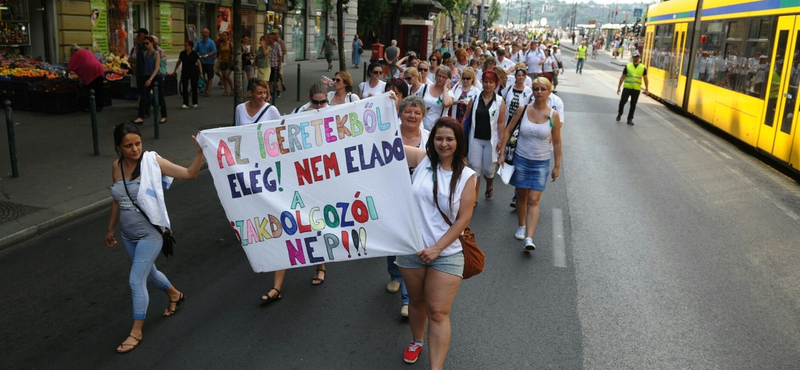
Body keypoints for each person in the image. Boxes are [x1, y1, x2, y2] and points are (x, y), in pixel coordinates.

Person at [106, 122, 204, 353]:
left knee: (135, 280)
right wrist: (110, 230)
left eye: (138, 143)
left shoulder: (153, 163)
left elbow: (191, 174)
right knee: (150, 273)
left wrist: (200, 153)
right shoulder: (116, 166)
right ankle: (175, 294)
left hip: (151, 233)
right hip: (128, 235)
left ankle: (136, 332)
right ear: (118, 147)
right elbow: (118, 199)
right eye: (128, 145)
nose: (135, 149)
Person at [397, 117, 477, 369]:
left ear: (458, 142)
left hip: (447, 253)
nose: (444, 144)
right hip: (411, 248)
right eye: (439, 138)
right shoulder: (421, 161)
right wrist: (388, 105)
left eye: (449, 139)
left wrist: (437, 248)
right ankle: (417, 340)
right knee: (416, 302)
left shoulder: (466, 176)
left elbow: (464, 218)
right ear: (432, 141)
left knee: (439, 312)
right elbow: (385, 143)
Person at [498, 77, 562, 250]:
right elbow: (508, 129)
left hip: (541, 162)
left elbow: (556, 141)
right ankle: (521, 225)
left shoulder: (553, 115)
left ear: (549, 92)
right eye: (536, 89)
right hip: (521, 159)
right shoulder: (523, 109)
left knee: (534, 199)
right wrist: (502, 153)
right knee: (521, 195)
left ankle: (529, 238)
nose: (539, 92)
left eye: (543, 89)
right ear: (532, 91)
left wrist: (557, 165)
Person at [461, 70, 506, 201]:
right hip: (475, 139)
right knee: (475, 168)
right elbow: (465, 118)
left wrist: (501, 141)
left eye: (491, 82)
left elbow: (501, 122)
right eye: (485, 82)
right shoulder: (474, 99)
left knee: (488, 170)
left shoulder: (499, 101)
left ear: (495, 84)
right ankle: (474, 197)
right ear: (482, 82)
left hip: (490, 140)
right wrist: (461, 135)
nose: (488, 85)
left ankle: (490, 183)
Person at [132, 36, 167, 125]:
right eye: (144, 43)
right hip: (146, 76)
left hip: (156, 77)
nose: (146, 45)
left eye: (147, 43)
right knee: (143, 97)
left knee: (160, 97)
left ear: (152, 43)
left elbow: (156, 68)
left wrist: (150, 79)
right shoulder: (145, 53)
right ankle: (140, 117)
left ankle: (164, 116)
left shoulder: (156, 53)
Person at [66, 44, 105, 112]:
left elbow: (69, 68)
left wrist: (66, 75)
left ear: (73, 51)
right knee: (99, 88)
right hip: (99, 68)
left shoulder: (76, 54)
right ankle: (99, 106)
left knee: (90, 89)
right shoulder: (88, 51)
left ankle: (89, 106)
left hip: (90, 71)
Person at [616, 51, 649, 125]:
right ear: (632, 58)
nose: (636, 58)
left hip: (636, 89)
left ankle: (630, 119)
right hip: (627, 88)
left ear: (639, 58)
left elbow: (645, 79)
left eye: (637, 57)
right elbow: (622, 77)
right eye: (635, 57)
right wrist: (619, 87)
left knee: (633, 104)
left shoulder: (643, 67)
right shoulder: (628, 66)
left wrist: (647, 89)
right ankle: (620, 113)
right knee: (622, 102)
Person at [172, 40, 202, 109]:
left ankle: (194, 102)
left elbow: (199, 63)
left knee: (194, 87)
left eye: (186, 45)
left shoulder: (194, 53)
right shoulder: (182, 53)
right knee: (184, 87)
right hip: (185, 72)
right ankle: (185, 103)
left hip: (193, 72)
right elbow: (179, 62)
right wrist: (175, 70)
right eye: (185, 45)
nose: (185, 46)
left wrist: (201, 72)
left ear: (190, 46)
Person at [194, 28, 217, 97]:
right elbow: (195, 49)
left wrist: (207, 55)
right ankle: (206, 84)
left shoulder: (211, 42)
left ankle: (208, 91)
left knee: (210, 77)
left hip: (209, 62)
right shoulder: (199, 42)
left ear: (208, 34)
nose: (204, 34)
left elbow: (214, 51)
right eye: (203, 32)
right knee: (201, 76)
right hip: (201, 62)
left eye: (205, 32)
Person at [216, 32, 234, 96]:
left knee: (226, 75)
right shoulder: (221, 45)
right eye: (222, 35)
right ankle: (226, 91)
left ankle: (232, 89)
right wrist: (218, 61)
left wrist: (232, 60)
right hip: (223, 61)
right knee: (223, 77)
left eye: (225, 35)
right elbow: (220, 53)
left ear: (227, 36)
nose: (223, 37)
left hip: (229, 61)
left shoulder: (230, 44)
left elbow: (233, 53)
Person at [269, 31, 283, 98]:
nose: (268, 40)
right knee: (270, 79)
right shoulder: (268, 46)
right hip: (269, 64)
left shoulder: (277, 45)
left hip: (275, 64)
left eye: (269, 38)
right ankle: (271, 91)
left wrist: (280, 64)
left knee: (276, 79)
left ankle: (278, 90)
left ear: (272, 39)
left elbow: (280, 55)